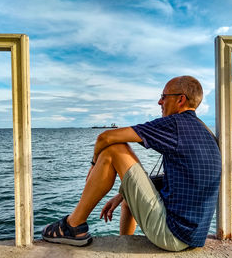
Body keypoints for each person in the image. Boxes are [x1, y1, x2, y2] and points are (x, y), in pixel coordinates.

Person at [42, 75, 222, 251]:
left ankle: (73, 225)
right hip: (194, 237)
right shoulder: (205, 131)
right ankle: (125, 243)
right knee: (128, 200)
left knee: (114, 149)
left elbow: (105, 137)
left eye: (163, 97)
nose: (160, 102)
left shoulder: (175, 124)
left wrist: (93, 164)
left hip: (172, 235)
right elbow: (185, 178)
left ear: (180, 99)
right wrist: (122, 194)